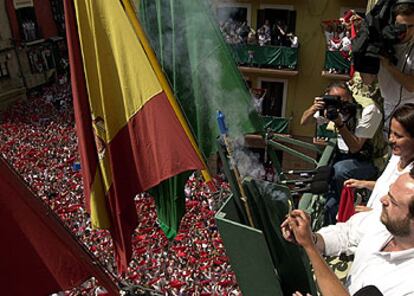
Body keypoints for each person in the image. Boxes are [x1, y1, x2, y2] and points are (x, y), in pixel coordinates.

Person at [281, 171, 414, 296]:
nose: (383, 200)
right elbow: (345, 234)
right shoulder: (381, 220)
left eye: (394, 202)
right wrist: (313, 238)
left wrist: (309, 245)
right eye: (388, 193)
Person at [301, 82, 382, 222]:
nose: (340, 105)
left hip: (366, 160)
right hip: (342, 157)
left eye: (343, 101)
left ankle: (346, 204)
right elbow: (304, 122)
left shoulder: (367, 110)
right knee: (328, 198)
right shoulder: (333, 110)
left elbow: (356, 147)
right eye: (334, 100)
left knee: (340, 170)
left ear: (350, 97)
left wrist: (339, 123)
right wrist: (314, 108)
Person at [345, 103, 414, 211]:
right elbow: (385, 187)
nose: (391, 139)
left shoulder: (411, 177)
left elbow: (402, 217)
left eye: (398, 136)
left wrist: (370, 212)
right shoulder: (396, 157)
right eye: (390, 132)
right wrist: (363, 183)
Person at [376, 2, 414, 125]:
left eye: (410, 26)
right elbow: (366, 80)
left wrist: (388, 65)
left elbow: (411, 85)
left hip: (410, 106)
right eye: (400, 26)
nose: (405, 31)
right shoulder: (380, 43)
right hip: (387, 104)